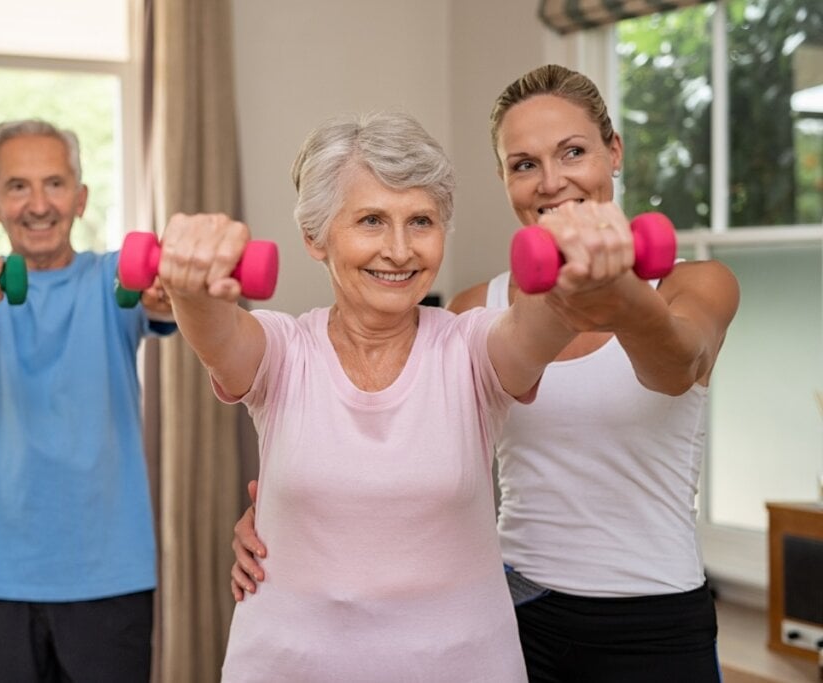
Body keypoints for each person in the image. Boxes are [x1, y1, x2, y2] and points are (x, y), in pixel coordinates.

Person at [230, 65, 740, 683]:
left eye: (573, 152)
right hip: (515, 608)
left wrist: (620, 291)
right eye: (524, 164)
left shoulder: (695, 283)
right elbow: (405, 455)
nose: (551, 183)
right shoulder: (475, 310)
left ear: (614, 153)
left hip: (652, 611)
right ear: (503, 179)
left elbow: (675, 366)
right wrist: (293, 518)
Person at [158, 110, 648, 682]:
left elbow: (539, 325)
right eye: (371, 220)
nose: (400, 249)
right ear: (315, 238)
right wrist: (190, 282)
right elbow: (218, 334)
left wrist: (581, 272)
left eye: (421, 221)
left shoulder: (471, 347)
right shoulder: (283, 350)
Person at [0, 119, 175, 683]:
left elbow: (162, 304)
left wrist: (175, 288)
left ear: (80, 199)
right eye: (17, 186)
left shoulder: (114, 281)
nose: (38, 204)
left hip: (108, 574)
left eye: (55, 184)